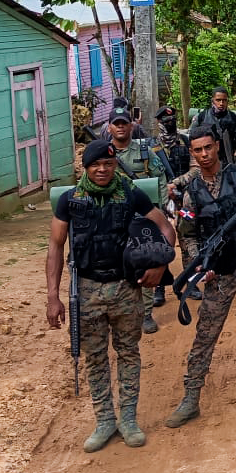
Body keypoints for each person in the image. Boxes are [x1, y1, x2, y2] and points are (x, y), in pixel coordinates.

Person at [46, 140, 175, 452]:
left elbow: (166, 228)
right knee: (95, 358)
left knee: (128, 352)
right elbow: (54, 247)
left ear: (115, 165)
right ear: (86, 168)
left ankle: (128, 419)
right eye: (95, 165)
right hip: (87, 290)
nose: (102, 170)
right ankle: (104, 420)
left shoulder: (130, 193)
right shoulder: (70, 200)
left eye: (108, 164)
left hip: (125, 288)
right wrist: (53, 296)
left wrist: (160, 262)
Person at [165, 125, 236, 427]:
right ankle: (191, 398)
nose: (203, 154)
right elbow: (186, 235)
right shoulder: (191, 194)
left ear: (217, 146)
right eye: (197, 150)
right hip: (218, 275)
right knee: (205, 337)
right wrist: (198, 265)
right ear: (192, 153)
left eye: (208, 148)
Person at [108, 108, 173, 334]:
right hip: (114, 218)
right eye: (116, 123)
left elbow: (160, 177)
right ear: (109, 128)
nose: (120, 127)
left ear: (131, 126)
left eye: (124, 123)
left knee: (145, 261)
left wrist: (163, 207)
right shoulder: (104, 156)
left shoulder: (145, 150)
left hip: (143, 217)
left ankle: (145, 314)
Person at [194, 86, 236, 167]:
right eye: (218, 100)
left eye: (224, 100)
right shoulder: (201, 117)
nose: (221, 103)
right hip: (205, 164)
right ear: (212, 101)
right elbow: (190, 140)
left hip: (228, 163)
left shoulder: (234, 119)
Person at [156, 105, 190, 178]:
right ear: (159, 122)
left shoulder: (184, 140)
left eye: (173, 120)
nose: (170, 124)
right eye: (167, 121)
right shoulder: (154, 144)